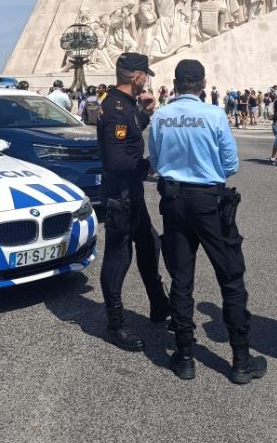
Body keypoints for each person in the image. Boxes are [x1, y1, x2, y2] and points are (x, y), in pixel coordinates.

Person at [149, 59, 267, 384]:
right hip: (208, 201)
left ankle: (185, 356)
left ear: (175, 83)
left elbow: (156, 162)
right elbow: (230, 162)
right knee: (230, 276)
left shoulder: (160, 116)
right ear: (203, 84)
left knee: (181, 279)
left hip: (173, 201)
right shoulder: (214, 114)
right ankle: (240, 360)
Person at [97, 52, 169, 350]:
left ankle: (158, 303)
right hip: (120, 195)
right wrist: (146, 165)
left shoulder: (122, 104)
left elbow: (127, 134)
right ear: (136, 76)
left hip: (131, 193)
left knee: (150, 243)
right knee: (118, 256)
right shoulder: (114, 108)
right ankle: (115, 324)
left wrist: (146, 113)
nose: (146, 81)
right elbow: (116, 160)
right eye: (145, 76)